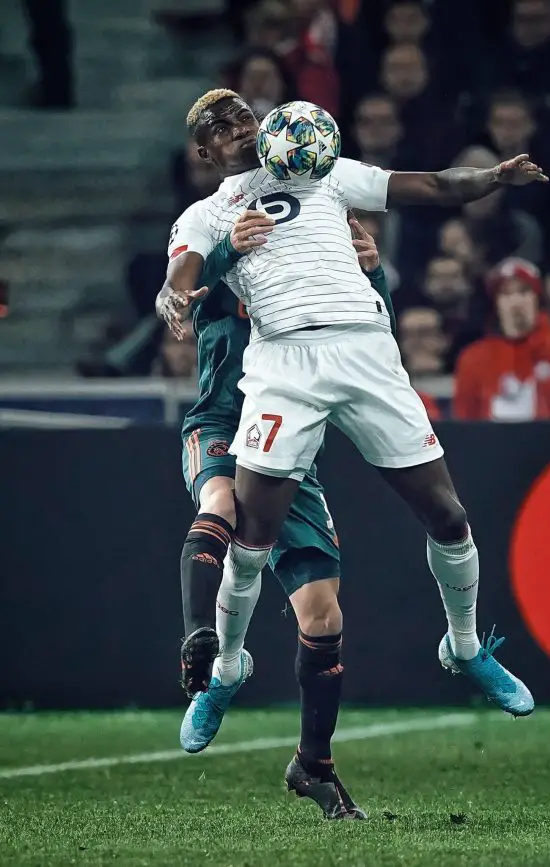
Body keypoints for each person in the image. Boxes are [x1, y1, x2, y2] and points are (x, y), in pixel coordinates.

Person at [159, 87, 548, 777]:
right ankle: (226, 667)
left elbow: (431, 185)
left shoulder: (324, 172)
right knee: (250, 540)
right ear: (202, 152)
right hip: (282, 365)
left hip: (366, 353)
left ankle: (464, 647)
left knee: (449, 515)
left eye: (245, 114)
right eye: (221, 124)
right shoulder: (209, 214)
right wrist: (181, 291)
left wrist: (493, 176)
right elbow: (178, 280)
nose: (240, 126)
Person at [158, 208, 391, 819]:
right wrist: (224, 253)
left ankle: (314, 764)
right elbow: (183, 287)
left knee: (324, 614)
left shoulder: (315, 279)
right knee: (221, 503)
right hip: (221, 426)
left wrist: (372, 274)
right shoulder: (223, 248)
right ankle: (209, 654)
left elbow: (373, 333)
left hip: (290, 446)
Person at [454, 258, 550, 421]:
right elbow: (466, 422)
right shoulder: (473, 359)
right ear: (496, 303)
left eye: (524, 292)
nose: (516, 302)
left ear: (537, 298)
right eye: (506, 294)